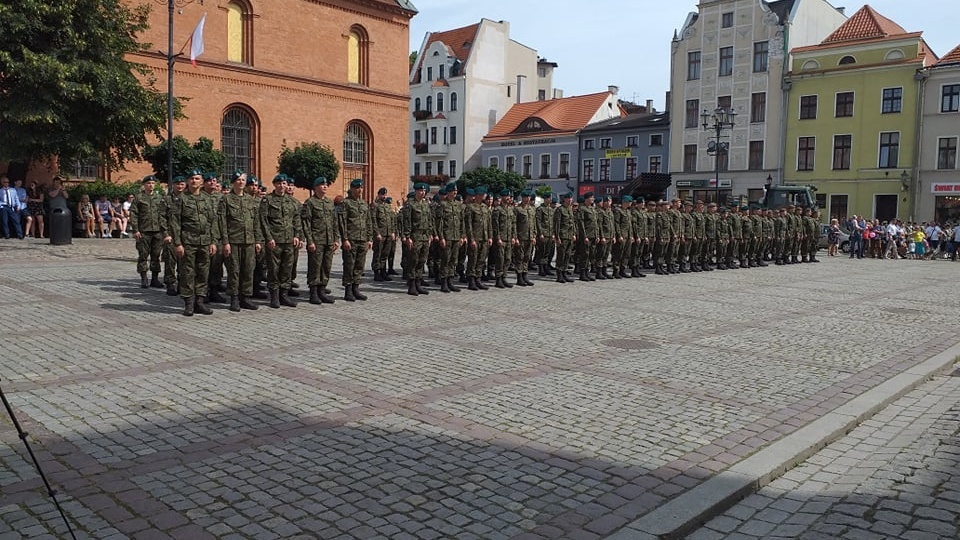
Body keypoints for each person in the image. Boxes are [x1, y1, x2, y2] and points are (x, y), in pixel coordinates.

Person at [170, 170, 221, 316]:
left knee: (203, 272)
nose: (194, 181)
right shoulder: (181, 199)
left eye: (197, 178)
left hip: (205, 242)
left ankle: (200, 301)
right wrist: (178, 243)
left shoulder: (207, 199)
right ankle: (189, 303)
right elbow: (175, 223)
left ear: (201, 181)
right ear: (187, 181)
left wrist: (213, 241)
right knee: (188, 272)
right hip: (188, 242)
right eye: (191, 178)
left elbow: (212, 221)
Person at [219, 171, 262, 311]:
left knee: (248, 270)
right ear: (233, 182)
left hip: (249, 240)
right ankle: (234, 298)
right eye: (238, 179)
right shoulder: (226, 199)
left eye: (243, 180)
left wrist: (257, 240)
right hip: (234, 240)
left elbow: (255, 221)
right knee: (234, 270)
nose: (241, 182)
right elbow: (222, 222)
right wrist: (225, 242)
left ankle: (246, 297)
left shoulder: (250, 199)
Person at [301, 176, 338, 304]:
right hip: (317, 241)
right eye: (322, 185)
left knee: (326, 266)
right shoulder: (310, 203)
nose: (325, 187)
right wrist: (310, 241)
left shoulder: (329, 203)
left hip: (328, 240)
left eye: (326, 185)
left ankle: (322, 290)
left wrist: (335, 239)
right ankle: (313, 292)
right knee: (315, 267)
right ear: (316, 187)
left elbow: (334, 222)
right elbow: (306, 223)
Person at [339, 178, 373, 301]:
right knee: (349, 264)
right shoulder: (346, 203)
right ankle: (348, 289)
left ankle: (356, 288)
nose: (360, 190)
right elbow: (342, 222)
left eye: (361, 188)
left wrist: (369, 239)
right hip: (351, 239)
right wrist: (345, 239)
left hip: (362, 239)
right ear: (352, 189)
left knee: (360, 264)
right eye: (357, 188)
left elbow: (368, 222)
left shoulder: (364, 204)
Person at [129, 175, 165, 289]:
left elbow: (163, 214)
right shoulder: (139, 198)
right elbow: (133, 214)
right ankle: (144, 279)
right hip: (143, 231)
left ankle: (155, 279)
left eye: (153, 183)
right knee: (143, 255)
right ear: (144, 185)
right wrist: (135, 230)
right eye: (149, 183)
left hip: (157, 231)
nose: (151, 185)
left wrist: (164, 230)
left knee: (156, 255)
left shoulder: (159, 198)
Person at [399, 182, 432, 296]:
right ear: (416, 191)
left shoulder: (425, 204)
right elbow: (406, 222)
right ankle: (412, 285)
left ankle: (418, 283)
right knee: (413, 261)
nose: (422, 193)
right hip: (415, 236)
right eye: (420, 191)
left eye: (424, 191)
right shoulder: (410, 204)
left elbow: (429, 220)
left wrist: (430, 234)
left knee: (422, 261)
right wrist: (407, 237)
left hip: (424, 236)